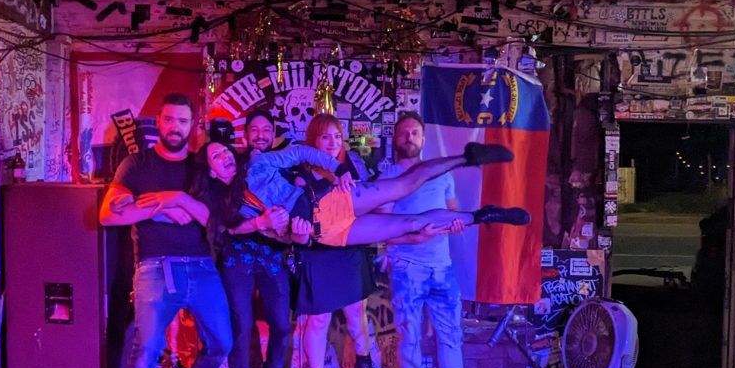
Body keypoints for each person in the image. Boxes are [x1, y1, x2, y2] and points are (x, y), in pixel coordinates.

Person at [100, 93, 232, 368]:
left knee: (223, 342)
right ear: (159, 122)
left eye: (183, 121)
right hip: (155, 267)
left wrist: (172, 199)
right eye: (170, 119)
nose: (176, 127)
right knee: (147, 349)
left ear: (192, 126)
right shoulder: (137, 164)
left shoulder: (200, 167)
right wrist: (165, 206)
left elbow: (213, 222)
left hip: (203, 266)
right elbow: (109, 213)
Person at [218, 120, 529, 249]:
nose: (224, 159)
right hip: (327, 234)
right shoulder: (237, 207)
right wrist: (292, 236)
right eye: (216, 159)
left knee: (405, 184)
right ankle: (484, 216)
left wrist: (339, 168)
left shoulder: (257, 164)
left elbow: (299, 151)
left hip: (330, 202)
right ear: (213, 173)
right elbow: (276, 235)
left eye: (224, 153)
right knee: (412, 223)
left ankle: (468, 157)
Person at [378, 112, 497, 368]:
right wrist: (416, 236)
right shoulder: (388, 178)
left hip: (442, 268)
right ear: (395, 138)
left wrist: (457, 223)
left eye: (415, 132)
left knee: (450, 338)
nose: (409, 138)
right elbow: (383, 228)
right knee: (410, 339)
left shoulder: (442, 175)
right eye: (404, 133)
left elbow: (453, 212)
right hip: (407, 268)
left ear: (423, 138)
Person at [199, 109, 296, 368]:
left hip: (271, 257)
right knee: (240, 328)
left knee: (282, 324)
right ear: (245, 135)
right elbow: (225, 226)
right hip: (237, 258)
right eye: (255, 130)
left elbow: (297, 206)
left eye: (267, 130)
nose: (261, 135)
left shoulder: (284, 167)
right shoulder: (232, 166)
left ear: (274, 134)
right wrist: (260, 222)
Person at [290, 115, 385, 368]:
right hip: (318, 254)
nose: (332, 143)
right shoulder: (300, 174)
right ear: (312, 142)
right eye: (324, 137)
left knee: (357, 313)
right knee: (318, 321)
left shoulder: (352, 168)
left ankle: (363, 365)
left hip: (348, 250)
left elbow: (369, 205)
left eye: (337, 137)